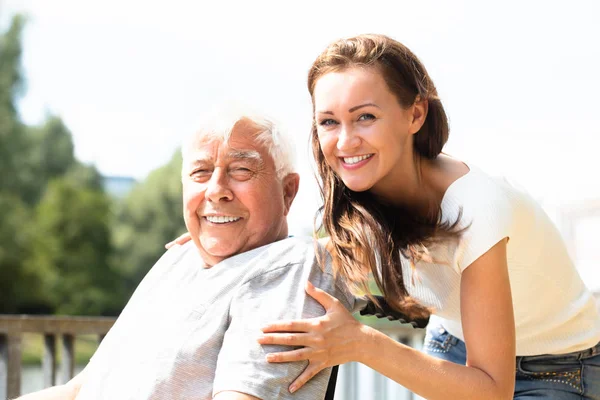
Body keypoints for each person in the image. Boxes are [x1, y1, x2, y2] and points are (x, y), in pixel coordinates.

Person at [244, 34, 600, 399]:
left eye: (365, 117)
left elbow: (493, 391)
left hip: (559, 367)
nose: (345, 141)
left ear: (415, 114)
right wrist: (223, 246)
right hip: (453, 346)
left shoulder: (476, 208)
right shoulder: (365, 198)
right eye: (329, 122)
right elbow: (308, 257)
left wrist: (360, 341)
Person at [18, 106, 355, 400]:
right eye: (200, 172)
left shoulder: (289, 267)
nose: (216, 191)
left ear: (288, 191)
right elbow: (80, 391)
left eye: (240, 171)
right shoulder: (179, 259)